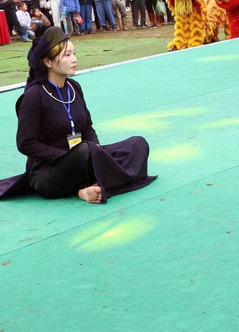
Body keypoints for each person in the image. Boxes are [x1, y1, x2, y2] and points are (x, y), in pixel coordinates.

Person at [0, 27, 156, 203]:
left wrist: (97, 150)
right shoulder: (34, 95)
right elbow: (26, 143)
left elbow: (87, 127)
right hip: (50, 172)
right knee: (83, 150)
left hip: (84, 158)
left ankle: (91, 185)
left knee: (137, 144)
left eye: (74, 53)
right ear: (48, 61)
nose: (74, 59)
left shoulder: (74, 88)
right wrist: (65, 155)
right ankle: (96, 184)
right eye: (67, 55)